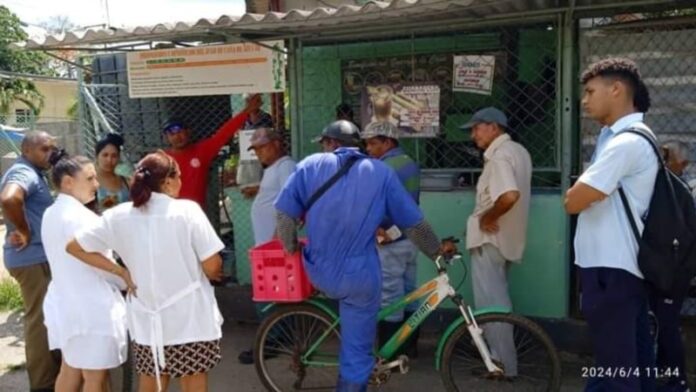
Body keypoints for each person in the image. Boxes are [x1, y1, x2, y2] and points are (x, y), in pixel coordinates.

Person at [274, 120, 456, 392]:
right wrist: (435, 252)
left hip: (317, 270)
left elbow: (285, 216)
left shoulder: (309, 165)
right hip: (360, 277)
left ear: (331, 144)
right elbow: (413, 224)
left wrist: (290, 249)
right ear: (357, 145)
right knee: (357, 349)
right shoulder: (380, 172)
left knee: (348, 305)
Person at [66, 151, 225, 392]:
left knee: (151, 383)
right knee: (193, 381)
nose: (181, 182)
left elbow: (74, 247)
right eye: (179, 176)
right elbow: (212, 266)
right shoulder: (187, 211)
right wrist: (212, 274)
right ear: (168, 182)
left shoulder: (117, 216)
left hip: (146, 318)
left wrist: (120, 271)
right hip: (190, 320)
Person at [565, 57, 657, 391]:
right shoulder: (615, 137)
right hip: (617, 268)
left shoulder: (626, 143)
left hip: (611, 269)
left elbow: (572, 200)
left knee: (616, 370)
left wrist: (578, 193)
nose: (584, 100)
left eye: (590, 91)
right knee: (632, 363)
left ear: (616, 89)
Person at [41, 151, 129, 392]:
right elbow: (105, 266)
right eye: (89, 179)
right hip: (91, 308)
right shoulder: (83, 218)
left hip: (65, 304)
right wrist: (125, 280)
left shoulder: (51, 213)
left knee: (70, 368)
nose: (96, 184)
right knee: (94, 378)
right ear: (68, 182)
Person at [459, 107, 532, 378]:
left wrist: (488, 217)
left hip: (491, 240)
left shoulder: (500, 157)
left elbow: (509, 195)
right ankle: (501, 361)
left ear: (493, 127)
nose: (473, 135)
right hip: (506, 241)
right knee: (497, 301)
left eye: (476, 128)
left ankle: (503, 365)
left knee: (492, 306)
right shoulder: (517, 151)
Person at [0, 130, 61, 391]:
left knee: (47, 317)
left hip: (34, 257)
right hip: (31, 258)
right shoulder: (23, 172)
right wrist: (24, 230)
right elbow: (9, 198)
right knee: (39, 321)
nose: (51, 153)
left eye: (52, 148)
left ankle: (55, 375)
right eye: (44, 149)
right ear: (26, 151)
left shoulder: (34, 172)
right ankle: (43, 384)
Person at [360, 121, 421, 355]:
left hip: (389, 240)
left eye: (374, 143)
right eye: (367, 143)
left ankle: (391, 352)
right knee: (410, 293)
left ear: (388, 142)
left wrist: (375, 228)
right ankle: (409, 348)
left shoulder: (382, 168)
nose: (368, 148)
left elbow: (378, 206)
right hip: (410, 236)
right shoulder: (409, 163)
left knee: (389, 297)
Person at [237, 128, 297, 364]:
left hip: (274, 244)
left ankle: (270, 341)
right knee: (275, 293)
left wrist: (277, 238)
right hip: (269, 244)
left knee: (267, 295)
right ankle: (281, 338)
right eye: (256, 149)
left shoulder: (285, 166)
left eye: (263, 147)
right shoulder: (274, 168)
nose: (259, 153)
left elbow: (289, 201)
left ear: (276, 143)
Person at [164, 93, 262, 209]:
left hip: (196, 212)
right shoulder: (161, 159)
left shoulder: (202, 151)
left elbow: (224, 133)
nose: (177, 136)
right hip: (170, 213)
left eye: (180, 131)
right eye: (171, 133)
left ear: (188, 132)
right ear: (166, 137)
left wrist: (247, 111)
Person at [647, 141, 691, 392]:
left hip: (674, 270)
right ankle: (665, 368)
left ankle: (679, 382)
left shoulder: (680, 190)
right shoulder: (665, 187)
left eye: (667, 157)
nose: (662, 162)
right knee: (663, 321)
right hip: (667, 268)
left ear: (682, 164)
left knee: (668, 323)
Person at [238, 94, 275, 199]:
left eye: (256, 101)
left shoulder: (266, 117)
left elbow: (270, 133)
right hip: (248, 153)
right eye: (249, 101)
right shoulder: (243, 118)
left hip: (262, 151)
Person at [95, 133, 130, 212]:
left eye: (114, 156)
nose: (109, 160)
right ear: (97, 156)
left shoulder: (127, 183)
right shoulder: (90, 184)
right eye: (105, 155)